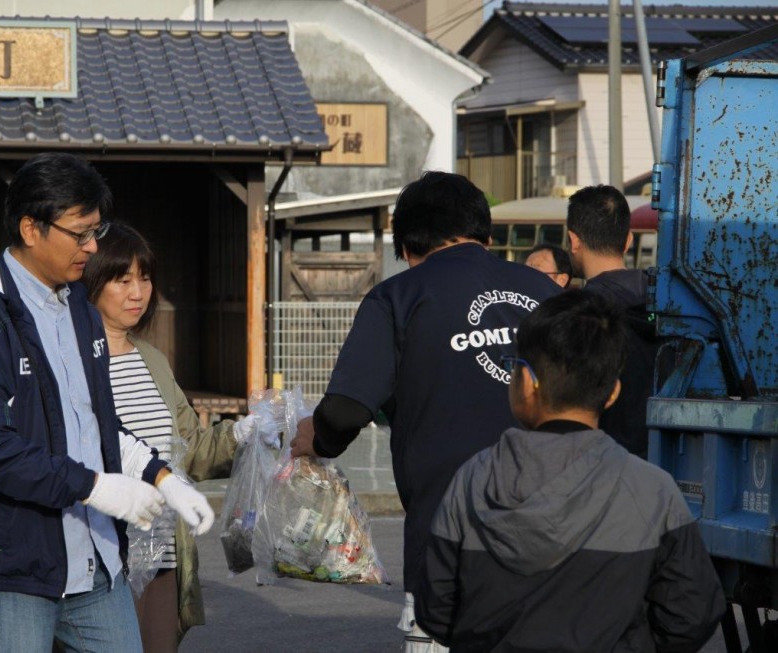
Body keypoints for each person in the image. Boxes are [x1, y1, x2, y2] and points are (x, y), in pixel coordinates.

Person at [0, 153, 214, 653]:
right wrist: (98, 488)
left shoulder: (80, 308)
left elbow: (99, 423)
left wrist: (162, 478)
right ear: (31, 229)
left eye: (95, 230)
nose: (93, 246)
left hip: (95, 557)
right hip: (13, 568)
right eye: (80, 233)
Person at [289, 171, 560, 651]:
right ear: (486, 235)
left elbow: (347, 409)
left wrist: (318, 437)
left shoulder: (399, 296)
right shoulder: (547, 294)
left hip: (447, 544)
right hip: (556, 538)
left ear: (407, 245)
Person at [414, 290, 725, 651]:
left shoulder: (472, 479)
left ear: (528, 382)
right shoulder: (653, 489)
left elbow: (435, 608)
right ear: (612, 393)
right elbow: (693, 612)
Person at [82, 222, 261, 650]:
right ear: (91, 284)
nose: (137, 293)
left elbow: (192, 451)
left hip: (162, 555)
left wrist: (244, 431)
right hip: (98, 556)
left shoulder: (153, 360)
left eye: (144, 278)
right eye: (121, 280)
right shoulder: (75, 364)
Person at [566, 184, 658, 456]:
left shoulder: (578, 311)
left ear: (573, 241)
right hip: (665, 456)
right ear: (628, 241)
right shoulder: (666, 298)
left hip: (603, 459)